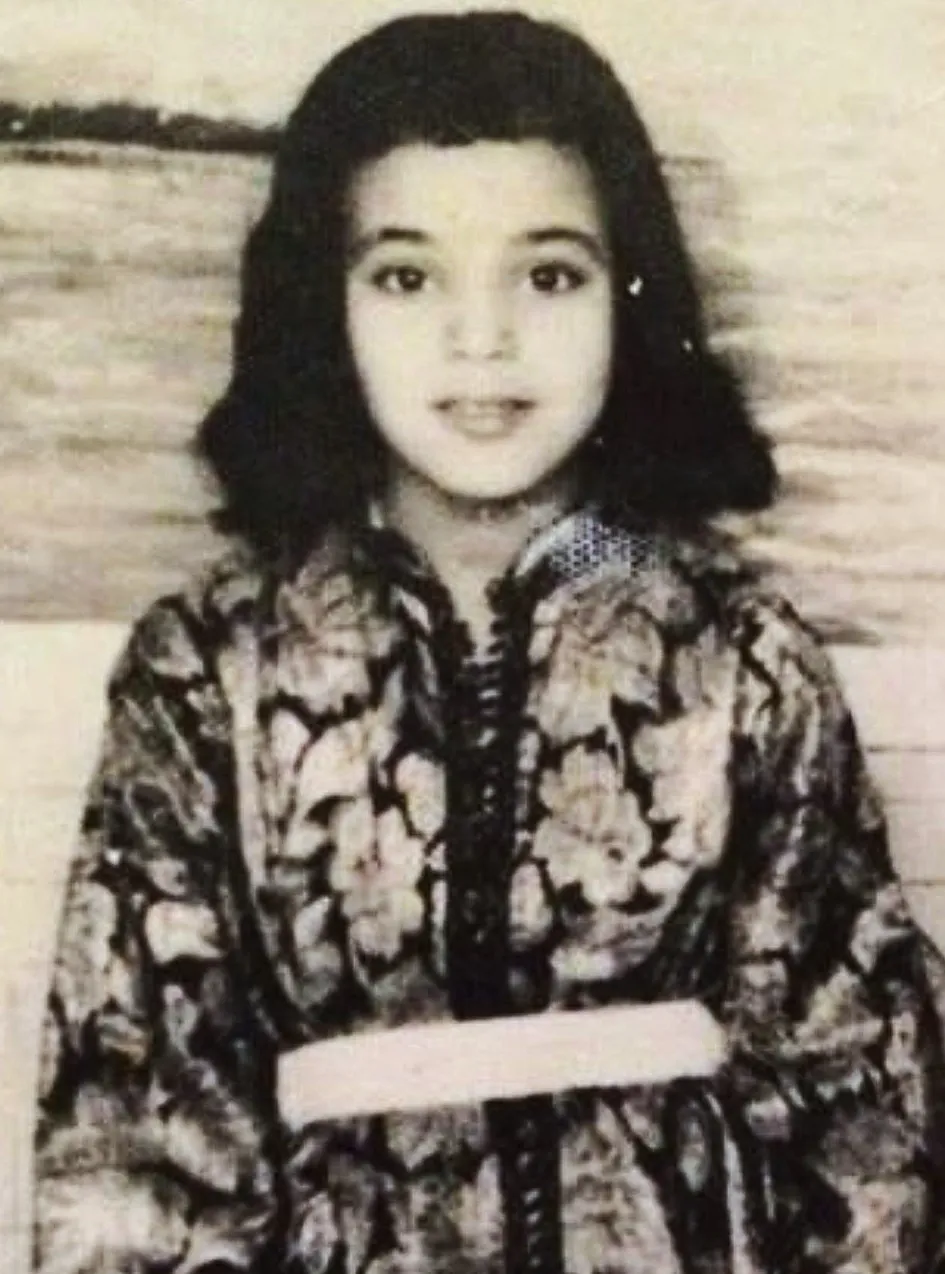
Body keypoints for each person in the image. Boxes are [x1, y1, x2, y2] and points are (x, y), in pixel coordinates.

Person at [32, 11, 945, 1274]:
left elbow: (865, 1104)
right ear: (322, 303)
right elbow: (133, 1136)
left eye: (549, 275)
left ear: (634, 296)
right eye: (407, 276)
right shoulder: (205, 668)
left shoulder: (744, 655)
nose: (483, 337)